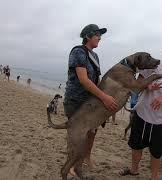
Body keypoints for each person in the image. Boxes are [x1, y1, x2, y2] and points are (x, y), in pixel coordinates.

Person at [119, 47, 162, 180]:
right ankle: (134, 170)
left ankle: (154, 177)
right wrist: (147, 86)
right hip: (143, 114)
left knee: (157, 150)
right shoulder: (152, 68)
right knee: (136, 144)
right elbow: (137, 83)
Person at [63, 24, 118, 176]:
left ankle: (86, 157)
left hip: (90, 102)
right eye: (97, 35)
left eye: (100, 35)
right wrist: (104, 97)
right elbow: (84, 80)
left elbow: (96, 79)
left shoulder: (95, 56)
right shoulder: (78, 52)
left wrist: (103, 98)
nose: (100, 38)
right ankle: (73, 164)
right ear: (88, 36)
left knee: (92, 132)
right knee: (77, 135)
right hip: (75, 100)